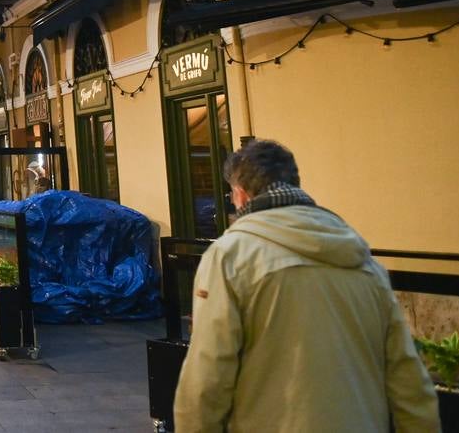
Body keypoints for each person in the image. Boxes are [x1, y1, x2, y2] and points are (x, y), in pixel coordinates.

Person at [173, 139, 439, 433]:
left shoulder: (230, 257)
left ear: (240, 194)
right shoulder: (362, 261)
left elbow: (207, 377)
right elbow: (407, 377)